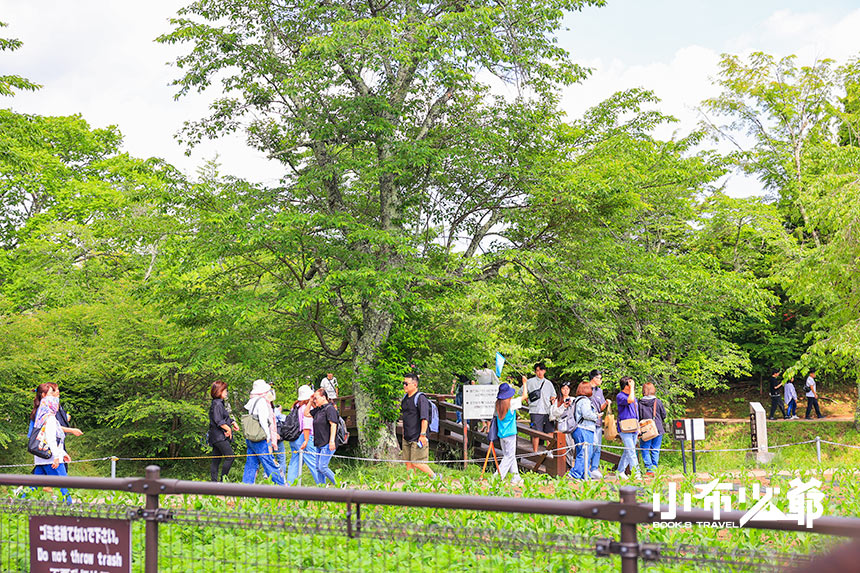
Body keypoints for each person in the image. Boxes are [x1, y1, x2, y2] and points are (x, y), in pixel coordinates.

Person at [241, 379, 285, 485]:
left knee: (251, 464)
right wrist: (268, 435)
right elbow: (263, 420)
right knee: (269, 463)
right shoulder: (261, 401)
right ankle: (282, 487)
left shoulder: (252, 401)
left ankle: (245, 490)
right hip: (260, 437)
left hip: (251, 437)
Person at [31, 395, 73, 504]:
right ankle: (70, 507)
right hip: (51, 458)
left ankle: (19, 503)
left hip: (42, 457)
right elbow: (51, 438)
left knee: (34, 485)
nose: (57, 406)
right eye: (56, 403)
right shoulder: (50, 418)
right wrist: (57, 457)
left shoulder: (42, 417)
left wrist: (63, 453)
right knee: (63, 483)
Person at [400, 372, 437, 479]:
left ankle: (435, 477)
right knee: (408, 463)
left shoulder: (421, 399)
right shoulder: (405, 398)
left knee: (418, 462)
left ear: (414, 385)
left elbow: (424, 418)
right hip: (407, 435)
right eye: (403, 383)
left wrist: (423, 435)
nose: (404, 386)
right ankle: (411, 484)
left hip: (418, 436)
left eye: (406, 383)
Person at [208, 380, 240, 482]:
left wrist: (232, 422)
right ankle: (223, 481)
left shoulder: (219, 403)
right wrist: (228, 429)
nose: (226, 392)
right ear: (219, 391)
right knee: (230, 457)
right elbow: (218, 421)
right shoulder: (217, 404)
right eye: (225, 390)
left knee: (216, 460)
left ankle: (214, 483)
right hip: (218, 437)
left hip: (217, 436)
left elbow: (224, 418)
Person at [522, 362, 557, 455]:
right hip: (535, 410)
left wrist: (553, 400)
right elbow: (523, 393)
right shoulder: (530, 382)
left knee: (549, 431)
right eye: (537, 370)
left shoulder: (549, 383)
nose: (539, 372)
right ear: (535, 372)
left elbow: (553, 395)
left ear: (544, 371)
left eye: (541, 370)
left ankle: (549, 451)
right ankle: (535, 451)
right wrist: (528, 401)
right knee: (536, 432)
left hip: (547, 410)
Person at [287, 385, 318, 485]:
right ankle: (321, 483)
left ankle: (289, 485)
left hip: (294, 437)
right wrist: (306, 439)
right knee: (313, 461)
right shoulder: (306, 408)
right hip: (305, 436)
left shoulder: (296, 406)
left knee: (294, 462)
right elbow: (307, 424)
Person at [493, 383, 523, 486]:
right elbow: (525, 396)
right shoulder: (511, 403)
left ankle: (516, 477)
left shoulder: (497, 405)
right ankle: (497, 476)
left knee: (510, 455)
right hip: (510, 434)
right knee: (508, 457)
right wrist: (524, 383)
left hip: (502, 434)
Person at [309, 389, 340, 486]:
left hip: (327, 442)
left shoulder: (330, 409)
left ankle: (339, 484)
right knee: (318, 468)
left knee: (322, 467)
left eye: (316, 398)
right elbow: (306, 414)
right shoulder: (319, 409)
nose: (315, 400)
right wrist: (310, 401)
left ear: (323, 397)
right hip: (319, 442)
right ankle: (322, 488)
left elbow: (333, 424)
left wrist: (331, 441)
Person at [569, 382, 599, 480]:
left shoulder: (576, 400)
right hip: (585, 428)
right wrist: (596, 416)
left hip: (577, 429)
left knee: (582, 451)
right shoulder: (585, 401)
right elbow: (586, 414)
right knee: (586, 452)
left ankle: (585, 475)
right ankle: (575, 474)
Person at [637, 383, 667, 476]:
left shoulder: (639, 402)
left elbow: (638, 416)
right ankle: (654, 468)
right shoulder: (657, 402)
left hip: (645, 429)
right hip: (657, 428)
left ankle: (649, 469)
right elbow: (664, 415)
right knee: (655, 449)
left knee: (645, 448)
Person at [616, 376, 641, 479]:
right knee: (631, 451)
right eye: (629, 384)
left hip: (634, 426)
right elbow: (629, 400)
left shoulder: (633, 396)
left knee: (628, 451)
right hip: (625, 428)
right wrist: (632, 388)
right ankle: (636, 474)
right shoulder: (620, 396)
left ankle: (620, 471)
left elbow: (636, 411)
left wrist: (638, 426)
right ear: (625, 386)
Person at [549, 381, 575, 469]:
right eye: (563, 389)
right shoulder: (557, 400)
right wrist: (563, 406)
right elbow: (554, 413)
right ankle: (566, 465)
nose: (565, 391)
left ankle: (569, 463)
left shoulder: (573, 399)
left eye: (567, 389)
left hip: (572, 426)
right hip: (562, 426)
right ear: (560, 390)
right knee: (564, 446)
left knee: (572, 446)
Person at [588, 369, 607, 478]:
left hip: (598, 422)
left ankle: (594, 468)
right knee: (590, 445)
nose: (601, 380)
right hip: (589, 423)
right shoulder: (586, 389)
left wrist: (606, 403)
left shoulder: (600, 391)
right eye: (599, 378)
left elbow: (601, 407)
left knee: (598, 446)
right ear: (594, 378)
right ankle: (587, 468)